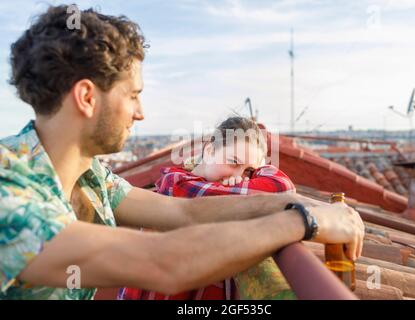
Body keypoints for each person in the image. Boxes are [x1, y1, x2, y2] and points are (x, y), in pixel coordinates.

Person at [0, 5, 365, 300]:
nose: (140, 113)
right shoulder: (9, 193)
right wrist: (304, 222)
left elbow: (185, 211)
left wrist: (302, 204)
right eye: (133, 95)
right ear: (86, 97)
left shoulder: (90, 176)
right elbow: (163, 262)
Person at [119, 116, 297, 300]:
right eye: (233, 162)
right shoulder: (177, 185)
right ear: (210, 151)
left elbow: (283, 186)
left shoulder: (229, 192)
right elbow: (284, 188)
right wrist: (252, 174)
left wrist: (253, 170)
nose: (237, 176)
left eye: (248, 171)